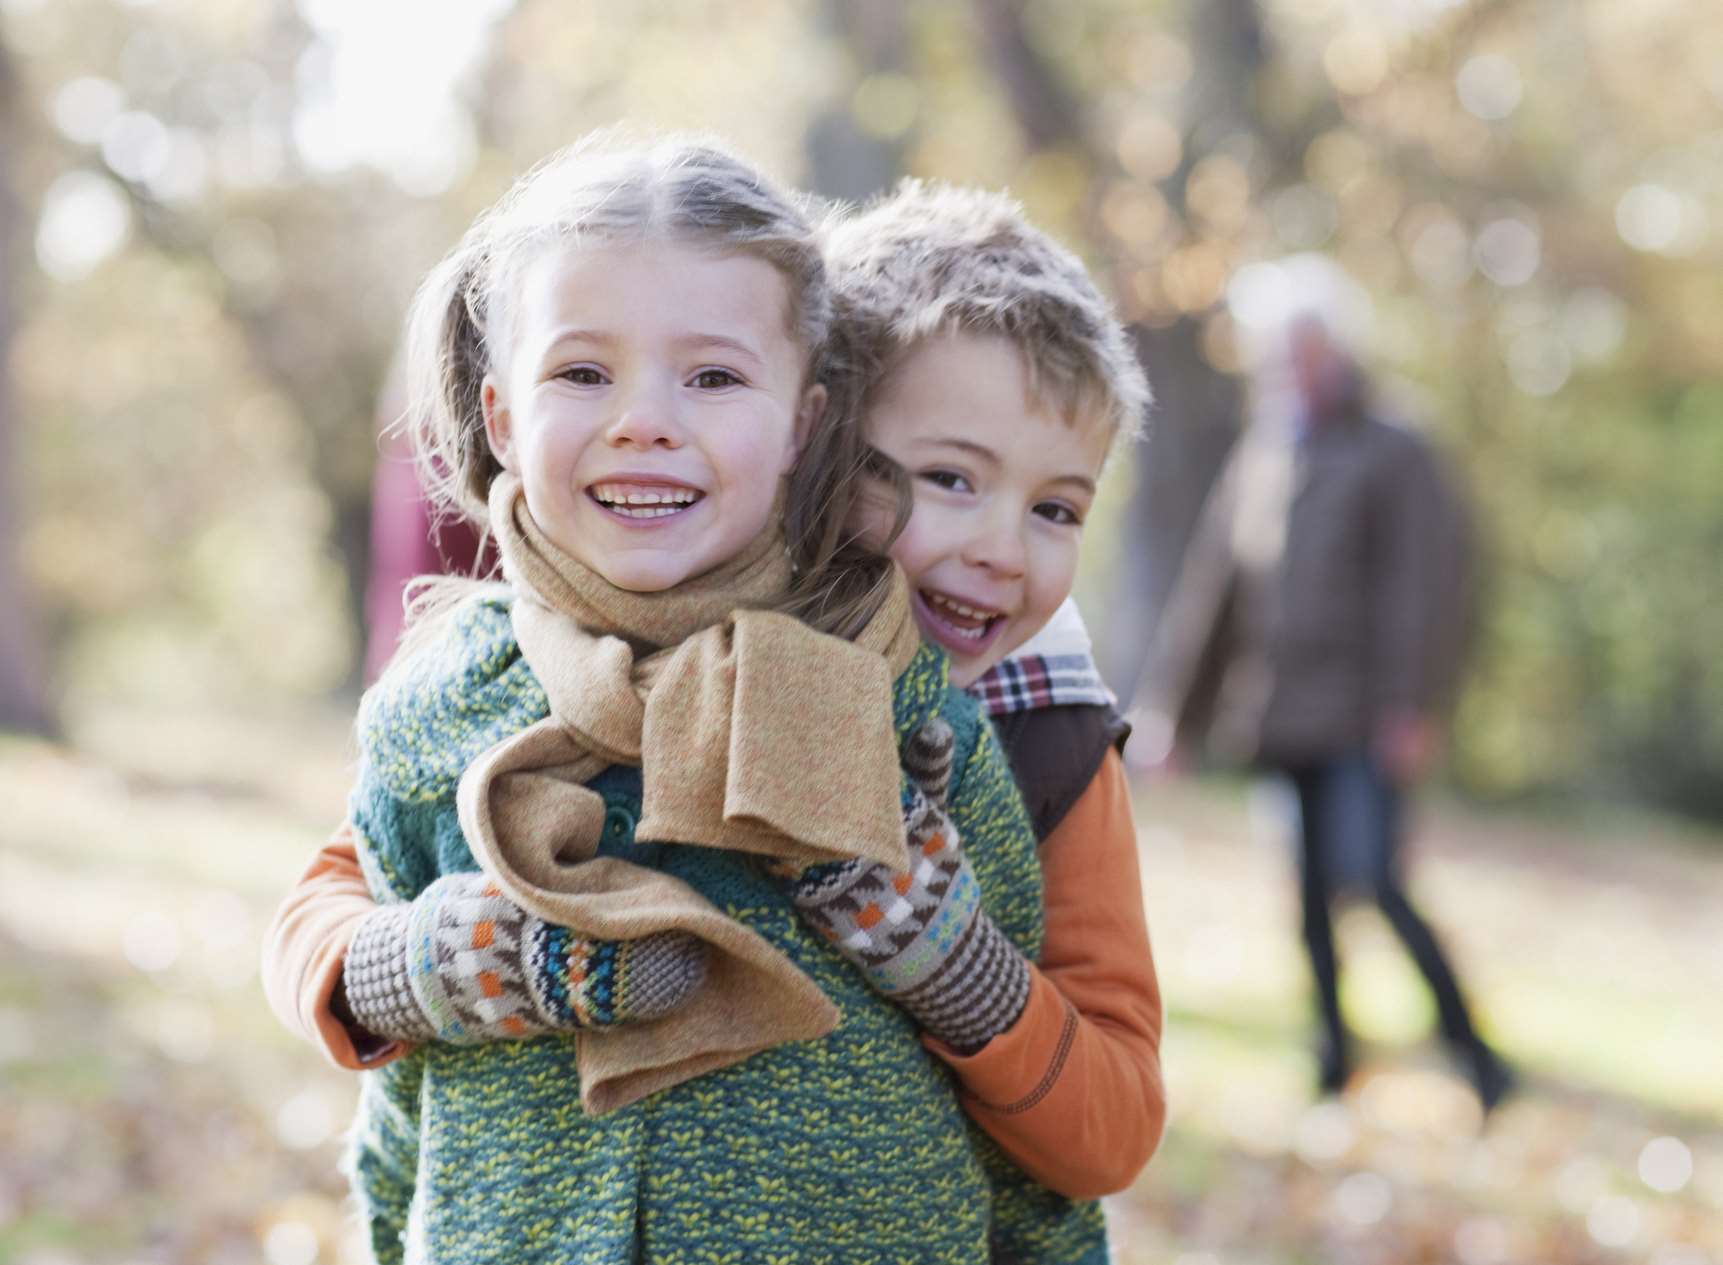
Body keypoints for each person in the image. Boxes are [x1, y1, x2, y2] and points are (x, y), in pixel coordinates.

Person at [264, 131, 1112, 1265]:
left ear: (805, 422)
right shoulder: (444, 706)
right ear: (504, 417)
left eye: (712, 376)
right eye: (581, 373)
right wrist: (432, 964)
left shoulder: (908, 718)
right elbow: (397, 1105)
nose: (645, 418)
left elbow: (1030, 1166)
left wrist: (946, 948)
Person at [1135, 255, 1513, 1111]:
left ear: (1337, 352)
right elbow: (1215, 592)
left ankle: (1475, 1055)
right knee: (1306, 898)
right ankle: (1334, 1060)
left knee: (1372, 877)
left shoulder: (1395, 448)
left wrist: (1412, 706)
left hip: (1365, 715)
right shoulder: (1263, 451)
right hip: (1282, 715)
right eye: (1274, 353)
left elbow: (1426, 588)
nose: (1286, 368)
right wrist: (1173, 715)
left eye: (1300, 351)